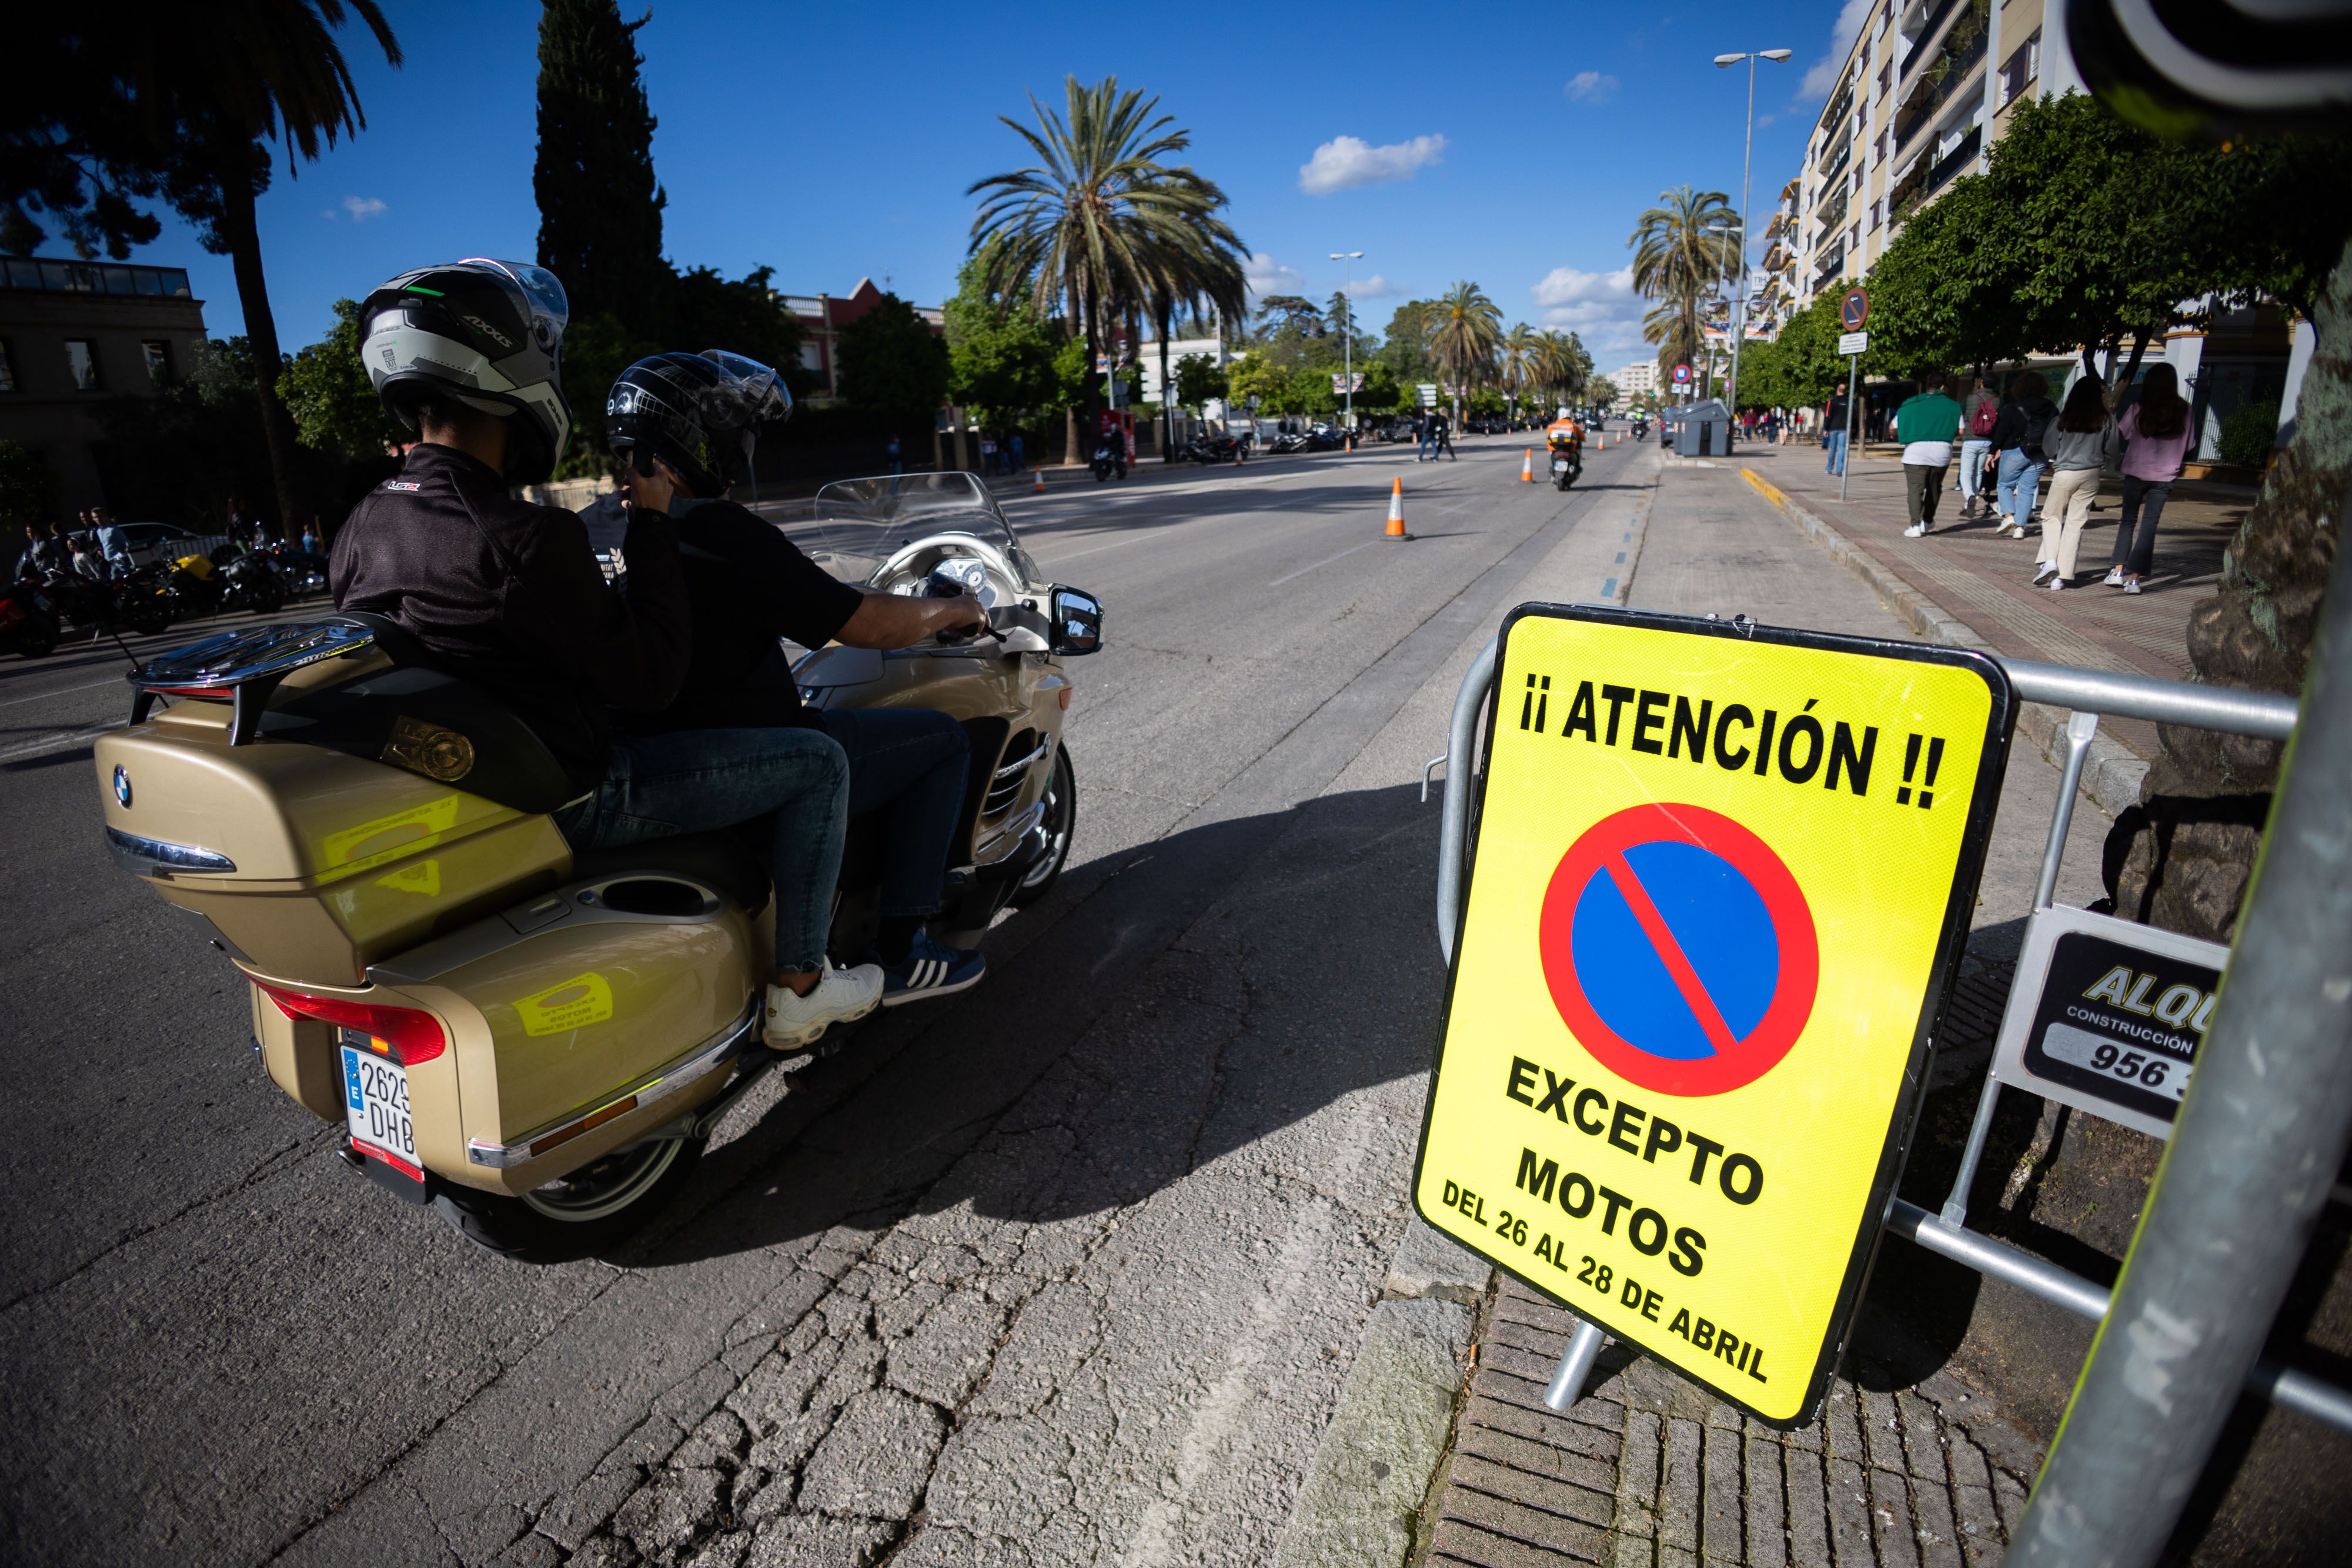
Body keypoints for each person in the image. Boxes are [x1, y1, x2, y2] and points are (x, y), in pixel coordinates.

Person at [330, 256, 879, 1051]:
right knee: (819, 761)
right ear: (514, 370)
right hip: (577, 787)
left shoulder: (364, 525)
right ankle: (802, 983)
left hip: (470, 781)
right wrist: (653, 521)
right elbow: (651, 679)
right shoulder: (521, 536)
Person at [606, 352, 995, 1004]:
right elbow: (863, 624)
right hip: (746, 756)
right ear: (698, 437)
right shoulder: (718, 529)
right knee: (939, 742)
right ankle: (903, 948)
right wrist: (955, 609)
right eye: (731, 426)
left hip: (648, 758)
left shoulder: (607, 528)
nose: (743, 442)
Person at [2106, 363, 2191, 594]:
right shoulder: (2185, 410)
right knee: (2149, 525)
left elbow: (2122, 433)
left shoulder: (2138, 407)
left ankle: (2117, 571)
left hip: (2136, 471)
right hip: (2165, 475)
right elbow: (2190, 444)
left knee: (2128, 521)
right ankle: (2135, 579)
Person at [2033, 376, 2112, 591]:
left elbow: (2049, 448)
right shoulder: (2106, 419)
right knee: (2076, 523)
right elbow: (2113, 449)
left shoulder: (2062, 419)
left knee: (2051, 516)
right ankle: (2063, 576)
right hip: (2092, 473)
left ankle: (2050, 562)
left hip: (2065, 472)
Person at [1990, 370, 2057, 538]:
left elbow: (2002, 430)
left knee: (2005, 485)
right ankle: (2020, 528)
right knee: (2027, 489)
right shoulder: (2051, 408)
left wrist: (1993, 450)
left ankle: (2009, 517)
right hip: (2040, 453)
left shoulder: (2014, 407)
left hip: (2015, 449)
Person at [1896, 371, 1963, 537]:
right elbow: (1961, 430)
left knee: (1915, 490)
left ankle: (1915, 525)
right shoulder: (1954, 406)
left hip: (1915, 453)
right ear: (1943, 387)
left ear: (1928, 387)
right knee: (1934, 488)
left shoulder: (1910, 405)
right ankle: (1928, 521)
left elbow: (1893, 426)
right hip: (1941, 453)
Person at [1957, 375, 1999, 519]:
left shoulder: (1970, 398)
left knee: (1966, 473)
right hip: (1988, 441)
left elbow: (1961, 413)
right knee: (1979, 473)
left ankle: (1970, 497)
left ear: (1981, 383)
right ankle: (1970, 501)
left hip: (1970, 439)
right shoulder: (1998, 400)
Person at [1823, 387, 1850, 474]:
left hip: (1833, 428)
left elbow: (1828, 415)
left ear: (1838, 391)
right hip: (1844, 428)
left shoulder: (1832, 401)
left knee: (1832, 448)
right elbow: (1853, 415)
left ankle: (1829, 468)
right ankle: (1839, 470)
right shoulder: (1849, 402)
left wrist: (1826, 429)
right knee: (1841, 449)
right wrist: (1854, 428)